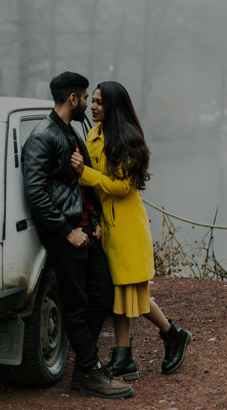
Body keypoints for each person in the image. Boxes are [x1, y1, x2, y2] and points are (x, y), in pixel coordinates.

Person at [22, 72, 134, 399]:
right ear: (73, 99)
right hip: (66, 232)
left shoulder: (70, 133)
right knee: (76, 303)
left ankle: (86, 365)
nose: (88, 103)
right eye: (86, 98)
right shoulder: (44, 136)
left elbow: (81, 182)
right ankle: (88, 371)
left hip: (86, 228)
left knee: (101, 294)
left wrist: (95, 218)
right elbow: (35, 191)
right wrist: (67, 230)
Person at [71, 80, 191, 380]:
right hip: (108, 226)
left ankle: (170, 334)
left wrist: (84, 174)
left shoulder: (126, 138)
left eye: (98, 102)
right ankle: (130, 355)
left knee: (128, 291)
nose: (93, 106)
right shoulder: (93, 135)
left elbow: (123, 187)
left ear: (112, 106)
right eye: (93, 101)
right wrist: (95, 220)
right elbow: (98, 190)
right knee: (120, 293)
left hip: (126, 227)